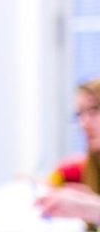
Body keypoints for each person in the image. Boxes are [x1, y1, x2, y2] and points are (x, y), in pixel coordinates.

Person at [36, 78, 100, 227]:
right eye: (79, 114)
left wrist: (90, 207)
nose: (84, 123)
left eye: (93, 110)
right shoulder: (87, 166)